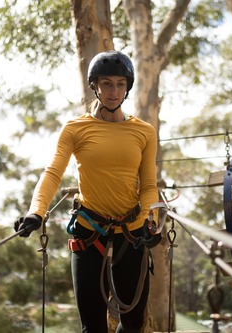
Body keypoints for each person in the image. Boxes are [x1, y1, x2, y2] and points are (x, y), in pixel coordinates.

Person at [14, 50, 161, 333]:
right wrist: (37, 212)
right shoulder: (76, 128)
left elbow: (149, 185)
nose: (114, 91)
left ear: (128, 86)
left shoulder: (144, 132)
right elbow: (53, 172)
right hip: (88, 231)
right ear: (94, 85)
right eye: (106, 83)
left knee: (132, 324)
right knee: (91, 328)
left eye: (120, 84)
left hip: (131, 232)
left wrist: (147, 221)